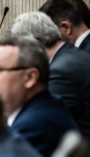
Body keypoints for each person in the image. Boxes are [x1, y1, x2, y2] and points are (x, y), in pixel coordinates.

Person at [10, 11, 90, 140]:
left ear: (34, 42)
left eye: (20, 49)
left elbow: (44, 122)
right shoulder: (72, 54)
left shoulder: (60, 71)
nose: (19, 57)